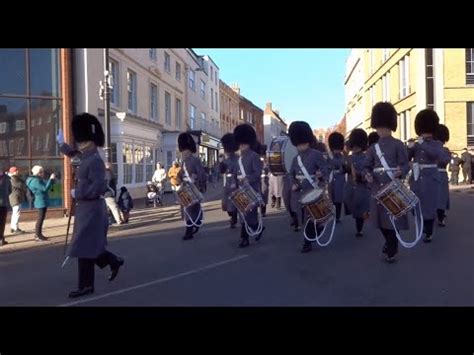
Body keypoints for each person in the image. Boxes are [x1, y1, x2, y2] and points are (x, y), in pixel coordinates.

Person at [57, 113, 124, 298]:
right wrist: (62, 144)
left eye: (82, 140)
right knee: (86, 246)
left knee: (83, 247)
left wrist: (75, 193)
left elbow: (97, 187)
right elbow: (74, 155)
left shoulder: (95, 161)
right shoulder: (86, 156)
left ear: (90, 141)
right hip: (85, 210)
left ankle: (86, 285)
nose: (79, 144)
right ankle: (113, 261)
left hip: (92, 210)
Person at [364, 102, 410, 263]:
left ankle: (392, 246)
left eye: (384, 127)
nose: (381, 130)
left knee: (393, 219)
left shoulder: (398, 145)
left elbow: (405, 164)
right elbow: (366, 166)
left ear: (390, 127)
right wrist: (367, 175)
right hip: (377, 188)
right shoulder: (373, 148)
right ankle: (390, 241)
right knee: (380, 221)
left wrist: (401, 171)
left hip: (393, 186)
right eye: (379, 128)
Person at [408, 109, 451, 243]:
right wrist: (409, 147)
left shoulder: (437, 144)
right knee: (417, 204)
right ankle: (424, 226)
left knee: (430, 205)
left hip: (431, 178)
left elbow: (435, 155)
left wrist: (422, 144)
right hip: (417, 178)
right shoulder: (416, 144)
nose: (424, 134)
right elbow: (407, 157)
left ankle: (429, 231)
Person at [288, 121, 329, 253]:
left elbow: (325, 169)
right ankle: (315, 231)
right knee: (303, 218)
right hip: (300, 192)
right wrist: (293, 183)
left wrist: (320, 174)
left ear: (308, 141)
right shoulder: (295, 159)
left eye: (303, 144)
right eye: (299, 145)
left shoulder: (316, 155)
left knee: (310, 217)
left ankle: (307, 242)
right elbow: (291, 174)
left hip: (313, 191)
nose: (301, 147)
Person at [233, 124, 265, 247]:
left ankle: (245, 238)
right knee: (243, 214)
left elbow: (257, 173)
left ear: (249, 143)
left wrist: (249, 179)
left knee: (248, 214)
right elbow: (236, 174)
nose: (242, 146)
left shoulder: (254, 156)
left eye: (244, 144)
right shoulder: (238, 158)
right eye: (240, 144)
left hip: (252, 189)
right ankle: (256, 229)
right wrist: (234, 186)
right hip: (241, 189)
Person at [178, 132, 206, 240]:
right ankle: (196, 223)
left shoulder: (195, 160)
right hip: (185, 187)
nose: (184, 153)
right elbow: (181, 175)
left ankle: (189, 231)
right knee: (188, 208)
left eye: (185, 151)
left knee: (189, 208)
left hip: (193, 187)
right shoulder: (183, 162)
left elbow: (202, 174)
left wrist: (196, 178)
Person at [346, 129, 370, 237]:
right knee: (354, 208)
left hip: (362, 186)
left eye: (357, 146)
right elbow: (344, 169)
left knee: (360, 210)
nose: (355, 148)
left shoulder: (366, 157)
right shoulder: (349, 158)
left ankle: (359, 229)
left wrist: (360, 175)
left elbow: (367, 170)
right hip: (351, 186)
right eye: (354, 146)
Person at [26, 166, 55, 242]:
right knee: (40, 219)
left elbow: (45, 187)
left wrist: (51, 181)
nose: (43, 173)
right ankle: (37, 235)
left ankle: (39, 234)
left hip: (42, 200)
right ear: (38, 173)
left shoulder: (36, 179)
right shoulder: (34, 181)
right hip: (40, 201)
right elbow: (44, 188)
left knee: (41, 219)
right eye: (41, 172)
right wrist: (51, 179)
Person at [220, 133, 240, 228]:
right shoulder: (225, 159)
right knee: (226, 204)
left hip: (234, 182)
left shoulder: (237, 159)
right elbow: (222, 171)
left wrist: (234, 182)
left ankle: (234, 218)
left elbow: (237, 171)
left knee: (233, 203)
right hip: (227, 183)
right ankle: (232, 215)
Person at [433, 124, 450, 227]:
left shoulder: (445, 150)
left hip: (439, 173)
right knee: (440, 197)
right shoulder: (444, 150)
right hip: (437, 174)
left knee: (441, 197)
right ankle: (440, 217)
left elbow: (444, 161)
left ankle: (440, 216)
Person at [327, 132, 346, 223]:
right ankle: (332, 214)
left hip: (340, 179)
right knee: (331, 198)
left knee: (338, 199)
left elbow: (344, 166)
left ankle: (337, 216)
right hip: (331, 178)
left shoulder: (343, 156)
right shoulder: (329, 156)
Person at [8, 166, 27, 235]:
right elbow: (20, 185)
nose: (18, 172)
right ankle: (15, 228)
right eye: (16, 171)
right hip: (15, 198)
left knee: (15, 213)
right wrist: (23, 182)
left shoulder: (13, 178)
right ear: (13, 172)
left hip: (16, 197)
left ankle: (13, 227)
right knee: (16, 213)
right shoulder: (12, 178)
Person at [0, 165, 12, 246]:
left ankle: (1, 238)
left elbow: (10, 190)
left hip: (3, 203)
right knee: (2, 222)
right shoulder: (6, 178)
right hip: (3, 202)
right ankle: (1, 238)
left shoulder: (7, 178)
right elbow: (9, 190)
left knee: (2, 222)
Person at [259, 145, 270, 217]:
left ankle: (263, 210)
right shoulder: (256, 158)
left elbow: (269, 168)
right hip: (257, 178)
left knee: (264, 193)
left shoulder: (267, 160)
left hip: (265, 178)